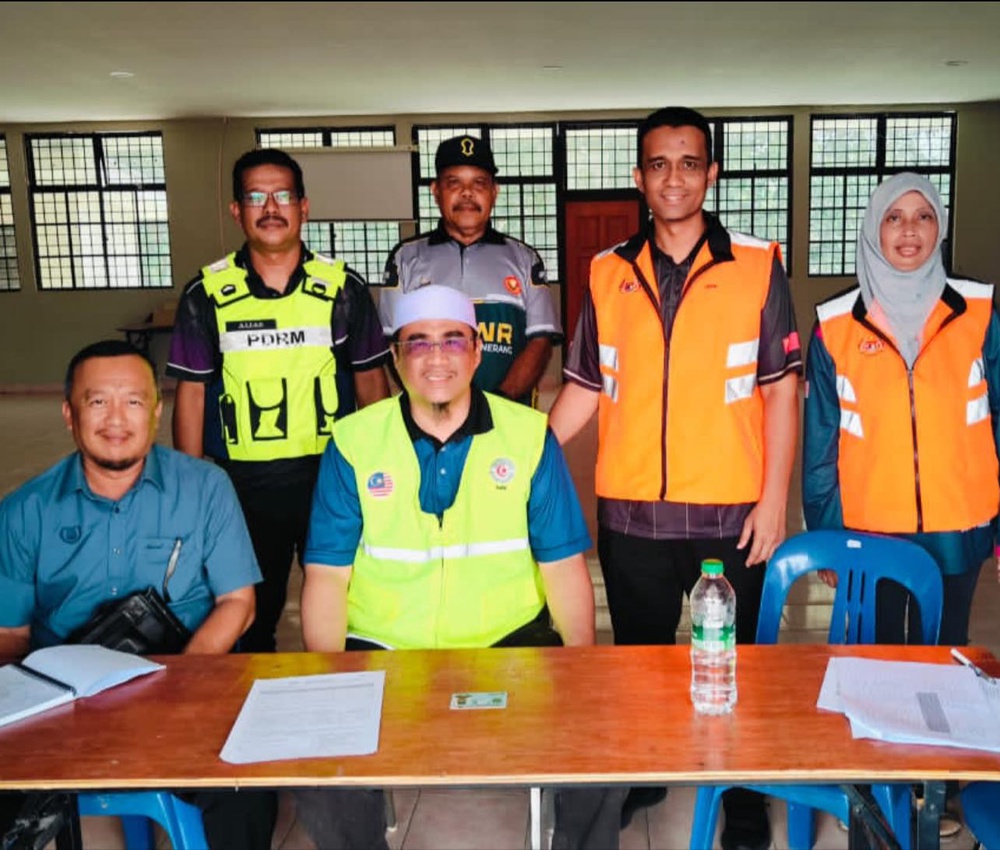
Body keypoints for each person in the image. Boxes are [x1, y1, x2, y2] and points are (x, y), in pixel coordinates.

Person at [548, 107, 802, 850]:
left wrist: (774, 501)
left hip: (731, 506)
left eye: (689, 163)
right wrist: (524, 453)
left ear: (710, 174)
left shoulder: (757, 264)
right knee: (641, 659)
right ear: (639, 177)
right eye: (659, 164)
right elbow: (585, 385)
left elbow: (781, 389)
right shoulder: (607, 271)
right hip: (632, 511)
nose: (674, 178)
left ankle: (743, 794)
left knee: (738, 661)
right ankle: (649, 770)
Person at [293, 285, 625, 850]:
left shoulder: (527, 437)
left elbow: (563, 565)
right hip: (384, 648)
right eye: (418, 342)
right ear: (395, 358)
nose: (437, 357)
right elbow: (326, 575)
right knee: (316, 758)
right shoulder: (354, 442)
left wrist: (580, 673)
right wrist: (331, 680)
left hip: (509, 644)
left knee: (601, 737)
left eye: (452, 340)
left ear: (475, 353)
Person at [0, 339, 275, 850]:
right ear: (69, 414)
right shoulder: (24, 511)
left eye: (132, 401)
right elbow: (10, 635)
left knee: (245, 789)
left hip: (185, 687)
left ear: (156, 410)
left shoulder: (206, 488)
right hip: (68, 707)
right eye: (97, 401)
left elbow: (238, 604)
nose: (115, 419)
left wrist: (181, 681)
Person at [167, 148, 390, 653]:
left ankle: (345, 693)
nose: (271, 207)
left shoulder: (344, 289)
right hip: (242, 486)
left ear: (304, 207)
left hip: (331, 478)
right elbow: (192, 396)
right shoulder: (206, 293)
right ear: (236, 210)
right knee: (247, 617)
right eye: (256, 197)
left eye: (283, 195)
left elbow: (372, 387)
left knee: (345, 608)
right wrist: (192, 487)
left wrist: (379, 473)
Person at [803, 172, 1000, 648]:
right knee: (878, 656)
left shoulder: (979, 313)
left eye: (923, 216)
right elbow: (820, 443)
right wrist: (828, 533)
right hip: (871, 530)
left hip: (959, 526)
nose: (909, 229)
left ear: (940, 228)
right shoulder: (835, 326)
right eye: (894, 217)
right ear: (875, 227)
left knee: (945, 652)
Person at [377, 134, 561, 405]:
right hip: (432, 417)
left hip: (508, 414)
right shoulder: (405, 258)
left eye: (479, 183)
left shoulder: (525, 259)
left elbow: (540, 342)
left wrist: (496, 405)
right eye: (454, 183)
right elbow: (395, 343)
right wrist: (432, 402)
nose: (467, 193)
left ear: (494, 192)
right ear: (436, 191)